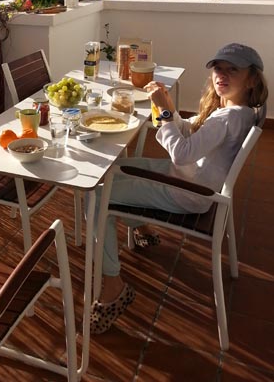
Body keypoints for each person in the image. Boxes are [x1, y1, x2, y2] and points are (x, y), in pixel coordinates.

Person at [90, 43, 268, 335]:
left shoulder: (227, 118)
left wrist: (162, 110)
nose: (222, 75)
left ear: (251, 79)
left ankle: (113, 285)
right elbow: (191, 132)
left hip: (186, 191)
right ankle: (142, 227)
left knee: (97, 196)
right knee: (114, 169)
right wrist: (169, 109)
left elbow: (182, 154)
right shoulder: (240, 112)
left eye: (232, 70)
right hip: (193, 181)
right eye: (218, 69)